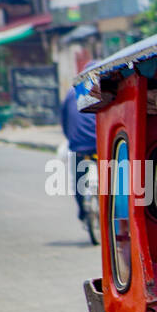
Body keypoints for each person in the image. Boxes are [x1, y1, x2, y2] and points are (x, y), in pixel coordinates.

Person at [60, 85, 97, 220]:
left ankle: (82, 210)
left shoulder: (71, 93)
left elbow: (64, 121)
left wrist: (71, 139)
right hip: (99, 145)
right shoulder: (103, 90)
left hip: (78, 147)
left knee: (78, 182)